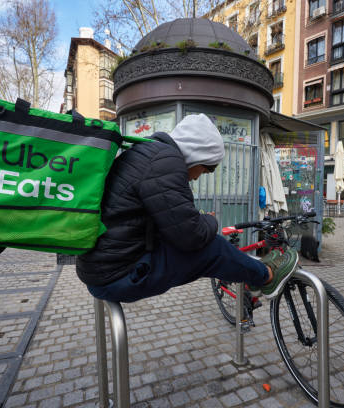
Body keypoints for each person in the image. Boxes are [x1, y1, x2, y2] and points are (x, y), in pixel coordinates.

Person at [76, 114, 299, 303]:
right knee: (213, 248)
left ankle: (252, 274)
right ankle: (266, 276)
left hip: (103, 270)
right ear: (197, 155)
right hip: (118, 277)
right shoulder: (165, 161)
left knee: (206, 245)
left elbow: (169, 222)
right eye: (206, 169)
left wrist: (197, 223)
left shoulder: (145, 152)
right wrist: (211, 221)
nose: (197, 177)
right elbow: (192, 236)